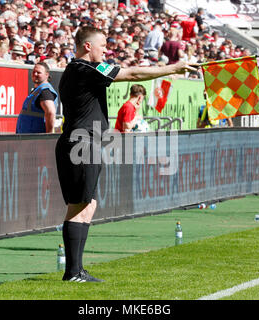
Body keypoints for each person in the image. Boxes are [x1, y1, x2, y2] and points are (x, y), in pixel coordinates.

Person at [55, 26, 197, 283]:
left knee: (87, 204)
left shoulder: (77, 70)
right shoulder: (84, 68)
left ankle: (76, 270)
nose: (105, 51)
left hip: (83, 142)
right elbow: (132, 73)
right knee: (81, 206)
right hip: (81, 143)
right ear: (87, 46)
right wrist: (173, 68)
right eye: (101, 46)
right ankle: (73, 272)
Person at [16, 62, 58, 133]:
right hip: (28, 137)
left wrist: (49, 135)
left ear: (46, 75)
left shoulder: (45, 91)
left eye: (38, 72)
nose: (35, 74)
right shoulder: (38, 90)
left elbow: (50, 112)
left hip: (34, 139)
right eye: (34, 72)